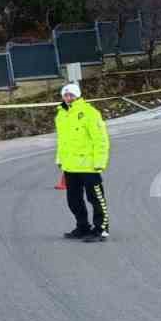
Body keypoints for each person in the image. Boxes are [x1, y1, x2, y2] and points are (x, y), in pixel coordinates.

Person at [55, 82, 110, 242]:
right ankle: (82, 226)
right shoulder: (61, 115)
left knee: (96, 198)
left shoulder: (89, 113)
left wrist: (100, 161)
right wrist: (60, 159)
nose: (68, 98)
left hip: (89, 165)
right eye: (65, 95)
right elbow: (62, 141)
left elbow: (101, 139)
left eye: (71, 94)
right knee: (73, 200)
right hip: (70, 166)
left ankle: (101, 229)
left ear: (78, 95)